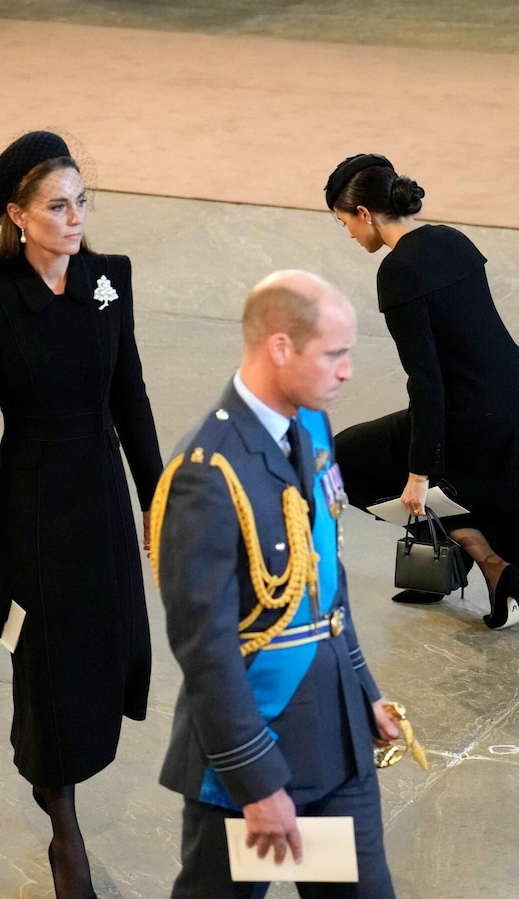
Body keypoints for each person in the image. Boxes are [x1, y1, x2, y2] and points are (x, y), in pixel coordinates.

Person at [0, 131, 162, 899]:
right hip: (35, 498)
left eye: (81, 202)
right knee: (46, 656)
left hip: (101, 483)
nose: (75, 218)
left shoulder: (110, 280)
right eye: (57, 206)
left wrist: (154, 494)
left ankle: (64, 767)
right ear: (18, 215)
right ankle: (61, 819)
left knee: (115, 641)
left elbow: (129, 393)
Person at [153, 270, 399, 899]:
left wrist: (362, 689)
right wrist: (258, 785)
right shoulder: (206, 474)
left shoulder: (311, 424)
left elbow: (324, 579)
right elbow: (205, 650)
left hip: (335, 736)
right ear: (281, 348)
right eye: (334, 355)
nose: (346, 372)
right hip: (254, 754)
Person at [324, 154, 519, 629]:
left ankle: (491, 563)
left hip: (469, 408)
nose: (349, 235)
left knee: (341, 460)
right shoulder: (451, 238)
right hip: (516, 393)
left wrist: (420, 472)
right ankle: (456, 566)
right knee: (445, 480)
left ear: (365, 213)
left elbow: (426, 382)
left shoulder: (398, 271)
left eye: (345, 223)